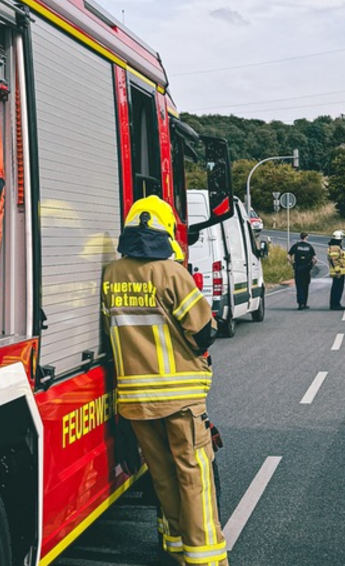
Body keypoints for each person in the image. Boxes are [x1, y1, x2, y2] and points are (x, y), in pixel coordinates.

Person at [102, 195, 229, 566]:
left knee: (162, 476)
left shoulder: (112, 274)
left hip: (136, 401)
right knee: (194, 477)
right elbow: (203, 332)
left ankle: (174, 547)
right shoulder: (171, 272)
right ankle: (205, 558)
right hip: (180, 399)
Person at [288, 232, 317, 310]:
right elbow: (315, 259)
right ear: (306, 237)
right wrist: (311, 266)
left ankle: (300, 303)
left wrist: (293, 264)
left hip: (298, 268)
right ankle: (304, 303)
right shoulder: (309, 247)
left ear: (300, 237)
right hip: (306, 269)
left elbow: (288, 257)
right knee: (305, 286)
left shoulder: (296, 246)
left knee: (299, 286)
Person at [327, 230, 345, 310]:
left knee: (337, 288)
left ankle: (336, 304)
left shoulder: (336, 246)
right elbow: (334, 259)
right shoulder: (335, 247)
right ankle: (335, 304)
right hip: (338, 272)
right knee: (337, 288)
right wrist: (337, 270)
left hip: (340, 271)